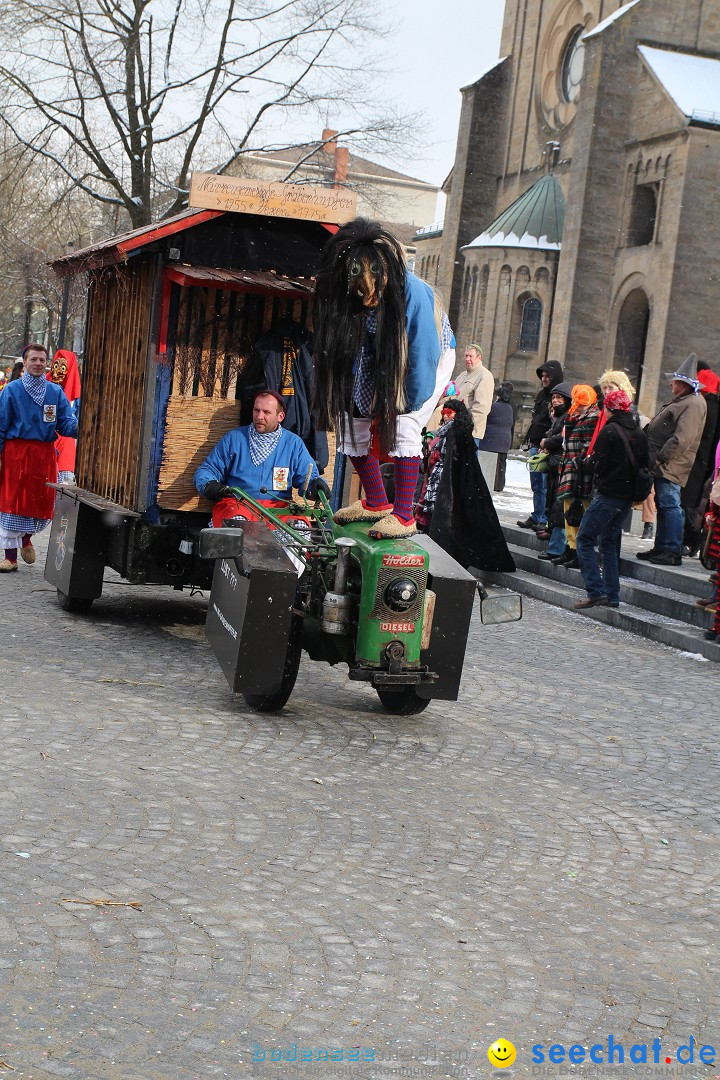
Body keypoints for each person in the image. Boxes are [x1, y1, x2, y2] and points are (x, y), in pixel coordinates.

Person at [313, 217, 455, 539]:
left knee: (405, 425)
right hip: (378, 358)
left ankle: (404, 515)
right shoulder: (342, 292)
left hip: (423, 359)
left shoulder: (413, 296)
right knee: (352, 420)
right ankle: (376, 501)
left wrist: (408, 405)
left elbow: (423, 355)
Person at [194, 390, 327, 528]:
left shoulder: (293, 443)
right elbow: (208, 469)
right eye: (256, 410)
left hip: (279, 508)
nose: (259, 416)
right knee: (237, 526)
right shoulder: (235, 438)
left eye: (266, 412)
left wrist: (315, 486)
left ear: (280, 416)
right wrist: (209, 484)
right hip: (238, 504)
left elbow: (308, 477)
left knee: (300, 529)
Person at [0, 342, 78, 573]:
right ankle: (10, 557)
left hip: (44, 455)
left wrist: (84, 425)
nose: (38, 364)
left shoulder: (55, 392)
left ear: (47, 364)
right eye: (33, 359)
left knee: (40, 500)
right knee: (12, 502)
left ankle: (26, 538)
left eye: (42, 360)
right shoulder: (11, 390)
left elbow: (65, 423)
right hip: (16, 454)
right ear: (24, 362)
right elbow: (1, 425)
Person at [414, 399, 515, 572]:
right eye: (444, 413)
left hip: (451, 482)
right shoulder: (446, 432)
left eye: (449, 413)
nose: (446, 417)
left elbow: (457, 460)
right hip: (439, 480)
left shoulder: (458, 432)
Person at [574, 389, 649, 609]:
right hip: (627, 498)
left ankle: (596, 591)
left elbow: (596, 464)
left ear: (609, 409)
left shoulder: (609, 431)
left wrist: (584, 462)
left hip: (609, 495)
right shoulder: (639, 433)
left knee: (585, 540)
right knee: (608, 544)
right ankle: (612, 595)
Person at [639, 353, 707, 566]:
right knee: (665, 505)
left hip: (670, 464)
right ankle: (662, 547)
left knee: (670, 505)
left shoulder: (693, 404)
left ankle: (671, 550)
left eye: (675, 381)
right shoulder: (684, 401)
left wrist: (660, 458)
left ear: (685, 384)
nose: (671, 384)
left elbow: (682, 438)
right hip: (664, 464)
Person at [552, 384, 599, 569]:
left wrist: (578, 463)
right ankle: (570, 548)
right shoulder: (576, 415)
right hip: (570, 467)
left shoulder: (592, 416)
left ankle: (578, 551)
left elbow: (587, 446)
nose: (577, 406)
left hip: (579, 471)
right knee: (568, 510)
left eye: (580, 403)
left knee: (580, 511)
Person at [517, 360, 564, 531]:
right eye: (542, 376)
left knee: (545, 485)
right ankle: (537, 515)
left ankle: (544, 518)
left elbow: (555, 423)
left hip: (548, 446)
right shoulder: (542, 395)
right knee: (536, 484)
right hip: (537, 443)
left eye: (547, 376)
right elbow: (536, 419)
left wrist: (547, 440)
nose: (544, 379)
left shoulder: (558, 396)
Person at [536, 381, 573, 561]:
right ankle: (554, 541)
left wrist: (547, 442)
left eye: (559, 397)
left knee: (559, 507)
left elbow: (562, 436)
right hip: (555, 464)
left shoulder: (569, 415)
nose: (556, 400)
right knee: (553, 504)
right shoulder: (561, 415)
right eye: (554, 397)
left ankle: (556, 548)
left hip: (562, 465)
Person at [46, 349, 81, 483]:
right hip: (46, 441)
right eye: (55, 365)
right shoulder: (45, 388)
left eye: (63, 367)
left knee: (62, 488)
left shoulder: (76, 397)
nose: (58, 371)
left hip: (66, 445)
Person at [476, 381, 515, 491]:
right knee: (501, 465)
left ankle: (489, 484)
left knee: (489, 464)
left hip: (491, 440)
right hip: (505, 440)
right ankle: (499, 485)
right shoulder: (510, 408)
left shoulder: (493, 406)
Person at [453, 344, 495, 443]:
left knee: (468, 458)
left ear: (479, 357)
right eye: (466, 356)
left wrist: (468, 425)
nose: (467, 359)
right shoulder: (462, 375)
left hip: (469, 431)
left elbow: (481, 407)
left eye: (470, 356)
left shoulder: (485, 376)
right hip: (455, 427)